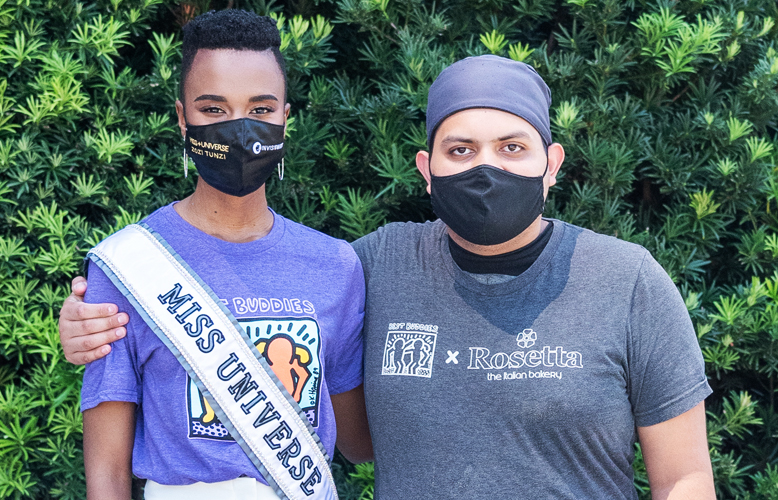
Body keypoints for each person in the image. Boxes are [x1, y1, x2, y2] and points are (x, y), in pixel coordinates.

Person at [60, 55, 714, 499]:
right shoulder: (372, 265)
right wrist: (94, 319)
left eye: (512, 147)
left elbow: (685, 477)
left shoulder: (630, 282)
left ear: (552, 162)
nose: (485, 169)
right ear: (427, 169)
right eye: (461, 150)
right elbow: (256, 290)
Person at [75, 10, 371, 500]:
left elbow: (360, 442)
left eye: (260, 110)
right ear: (181, 117)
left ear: (284, 119)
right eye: (213, 110)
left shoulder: (335, 265)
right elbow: (106, 477)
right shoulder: (127, 267)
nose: (238, 129)